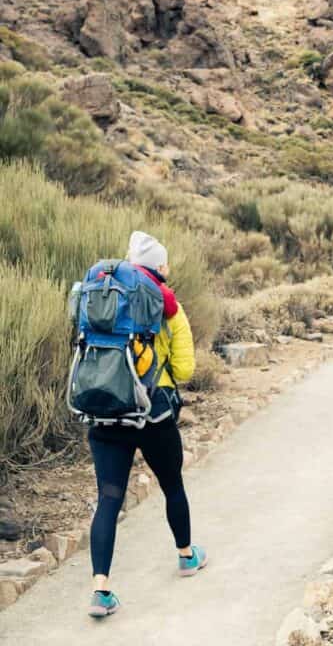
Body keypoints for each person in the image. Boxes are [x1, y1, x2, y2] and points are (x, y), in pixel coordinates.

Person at [87, 231, 207, 618]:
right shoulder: (169, 306)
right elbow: (186, 370)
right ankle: (187, 556)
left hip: (104, 407)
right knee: (172, 484)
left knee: (109, 498)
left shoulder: (101, 295)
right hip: (152, 412)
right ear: (161, 268)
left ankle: (101, 589)